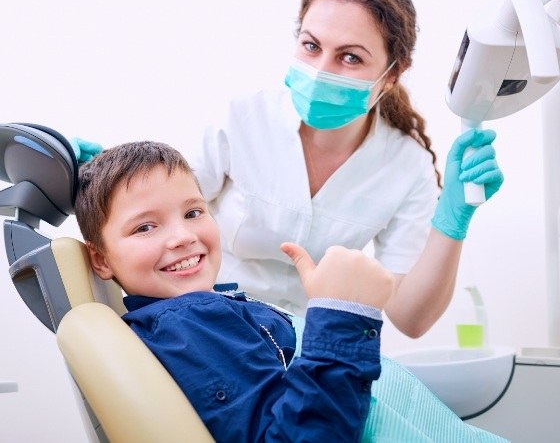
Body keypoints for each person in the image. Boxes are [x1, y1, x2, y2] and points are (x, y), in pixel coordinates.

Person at [71, 0, 504, 337]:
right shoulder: (240, 119)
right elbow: (160, 212)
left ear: (393, 74)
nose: (320, 71)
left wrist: (452, 223)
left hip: (304, 347)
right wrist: (98, 177)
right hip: (209, 331)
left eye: (350, 58)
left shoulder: (405, 165)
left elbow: (409, 318)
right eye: (311, 46)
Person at [74, 140, 508, 443]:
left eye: (193, 211)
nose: (183, 236)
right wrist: (341, 315)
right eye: (146, 227)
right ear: (101, 259)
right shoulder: (190, 325)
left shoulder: (202, 312)